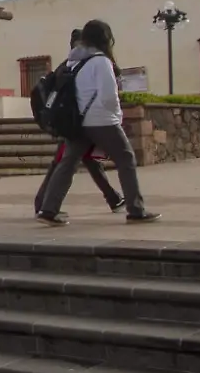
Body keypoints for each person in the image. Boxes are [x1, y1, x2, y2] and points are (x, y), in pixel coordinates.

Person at [37, 20, 159, 226]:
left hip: (78, 122)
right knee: (125, 159)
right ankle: (136, 209)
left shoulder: (73, 61)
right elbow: (109, 97)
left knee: (67, 164)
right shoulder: (101, 61)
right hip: (102, 120)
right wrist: (117, 117)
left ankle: (49, 209)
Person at [34, 30, 125, 215]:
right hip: (74, 123)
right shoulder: (75, 65)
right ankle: (43, 204)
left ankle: (113, 198)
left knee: (84, 162)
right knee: (63, 163)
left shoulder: (71, 64)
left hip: (75, 121)